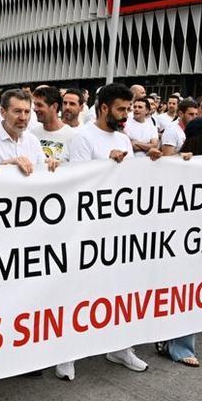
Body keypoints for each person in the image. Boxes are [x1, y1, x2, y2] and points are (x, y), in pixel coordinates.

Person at [58, 83, 150, 378]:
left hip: (118, 229)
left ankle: (120, 347)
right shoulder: (84, 137)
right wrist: (107, 165)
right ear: (104, 108)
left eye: (129, 108)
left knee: (119, 290)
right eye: (122, 109)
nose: (127, 115)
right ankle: (66, 355)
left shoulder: (124, 139)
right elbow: (79, 181)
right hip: (87, 230)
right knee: (79, 293)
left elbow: (133, 181)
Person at [157, 117, 202, 368]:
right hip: (178, 241)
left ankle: (172, 341)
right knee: (181, 293)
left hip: (201, 239)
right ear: (201, 139)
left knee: (190, 293)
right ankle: (177, 345)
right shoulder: (177, 164)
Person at [0, 89, 55, 175]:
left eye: (27, 112)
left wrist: (50, 164)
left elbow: (42, 171)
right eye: (17, 111)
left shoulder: (33, 140)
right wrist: (7, 164)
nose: (23, 117)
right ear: (3, 112)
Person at [28, 86, 74, 163]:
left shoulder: (73, 137)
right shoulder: (32, 135)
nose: (35, 109)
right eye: (35, 105)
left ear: (54, 106)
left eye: (39, 105)